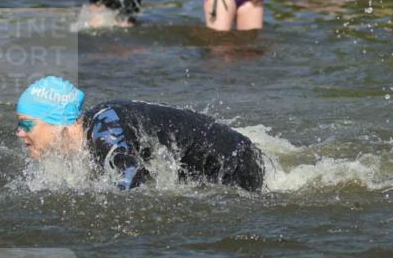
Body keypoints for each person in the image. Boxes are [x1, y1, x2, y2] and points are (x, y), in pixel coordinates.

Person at [15, 76, 265, 192]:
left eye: (26, 125)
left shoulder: (106, 131)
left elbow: (133, 186)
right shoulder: (96, 128)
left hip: (237, 163)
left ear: (57, 123)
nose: (19, 133)